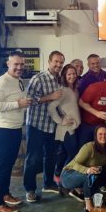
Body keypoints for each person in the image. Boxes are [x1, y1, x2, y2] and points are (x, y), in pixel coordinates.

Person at [23, 50, 65, 203]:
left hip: (53, 126)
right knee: (33, 159)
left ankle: (48, 183)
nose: (58, 65)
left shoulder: (59, 80)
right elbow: (29, 100)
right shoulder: (38, 78)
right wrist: (50, 97)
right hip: (36, 124)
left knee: (51, 157)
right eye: (56, 62)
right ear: (49, 61)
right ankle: (30, 189)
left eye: (61, 62)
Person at [0, 52, 32, 212]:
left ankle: (4, 193)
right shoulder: (1, 82)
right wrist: (18, 104)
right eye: (16, 64)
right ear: (8, 64)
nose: (19, 67)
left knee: (8, 165)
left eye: (21, 65)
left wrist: (22, 103)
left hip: (15, 127)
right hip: (4, 129)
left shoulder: (17, 81)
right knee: (2, 166)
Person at [61, 124, 106, 212]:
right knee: (91, 175)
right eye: (100, 134)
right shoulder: (89, 147)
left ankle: (82, 189)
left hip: (85, 175)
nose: (103, 136)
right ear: (95, 136)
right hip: (68, 174)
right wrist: (87, 170)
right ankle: (88, 206)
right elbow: (74, 164)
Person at [48, 64, 81, 184]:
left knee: (64, 154)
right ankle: (64, 179)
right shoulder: (63, 90)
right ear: (64, 76)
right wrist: (61, 121)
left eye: (74, 74)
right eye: (69, 74)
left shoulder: (75, 90)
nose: (72, 76)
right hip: (66, 129)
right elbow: (51, 107)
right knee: (73, 155)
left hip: (74, 127)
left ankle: (58, 176)